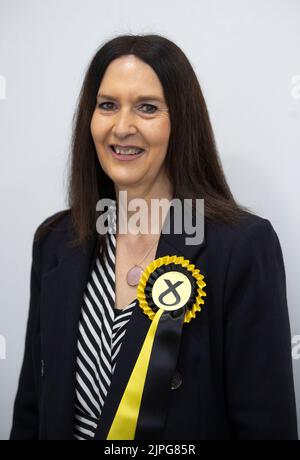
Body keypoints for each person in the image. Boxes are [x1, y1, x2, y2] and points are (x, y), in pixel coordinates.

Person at [10, 34, 298, 440]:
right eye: (107, 105)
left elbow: (267, 428)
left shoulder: (242, 248)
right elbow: (30, 412)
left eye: (147, 108)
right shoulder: (55, 241)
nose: (122, 126)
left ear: (180, 122)